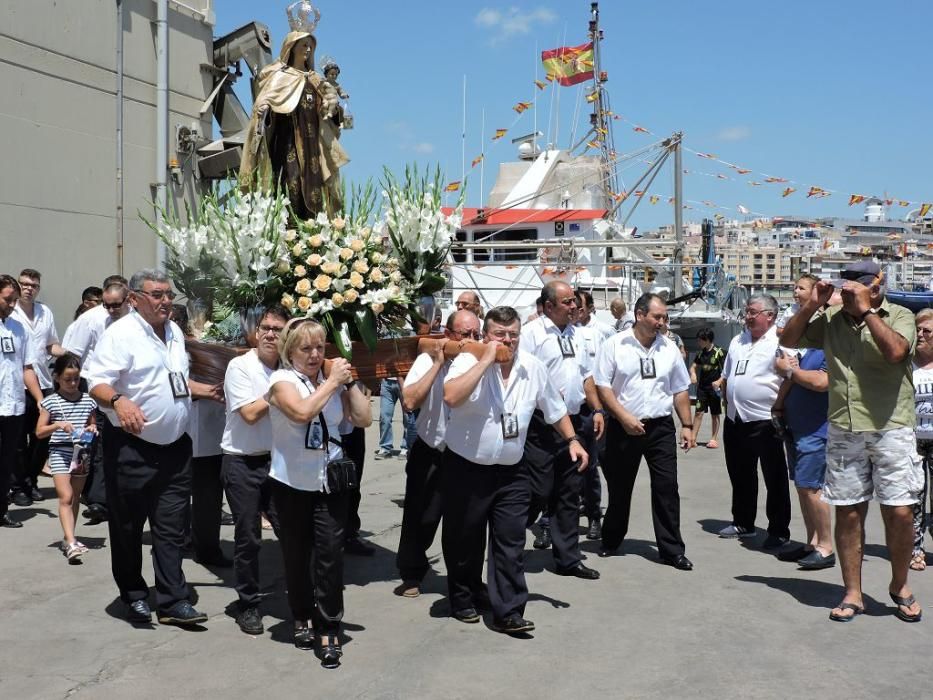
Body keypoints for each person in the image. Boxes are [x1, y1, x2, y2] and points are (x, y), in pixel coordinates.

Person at [780, 260, 923, 623]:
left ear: (876, 286)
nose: (847, 291)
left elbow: (896, 353)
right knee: (849, 510)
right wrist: (812, 304)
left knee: (901, 510)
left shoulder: (900, 314)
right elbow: (788, 339)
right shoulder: (831, 320)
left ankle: (900, 585)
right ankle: (853, 592)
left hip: (891, 426)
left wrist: (868, 313)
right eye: (846, 284)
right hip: (845, 427)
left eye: (856, 285)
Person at [442, 306, 588, 634]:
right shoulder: (468, 359)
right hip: (466, 468)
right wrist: (485, 360)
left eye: (513, 335)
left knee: (510, 539)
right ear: (485, 335)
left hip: (511, 471)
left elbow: (554, 409)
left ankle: (508, 610)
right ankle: (463, 596)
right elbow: (451, 396)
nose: (507, 341)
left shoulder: (532, 368)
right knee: (464, 538)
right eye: (500, 335)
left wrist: (573, 440)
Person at [85, 269, 211, 626]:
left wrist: (209, 391)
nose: (166, 301)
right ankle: (134, 594)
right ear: (135, 299)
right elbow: (96, 382)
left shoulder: (173, 332)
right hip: (131, 448)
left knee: (171, 528)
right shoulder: (120, 333)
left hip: (174, 448)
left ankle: (173, 601)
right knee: (127, 527)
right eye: (157, 295)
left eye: (169, 295)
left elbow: (173, 380)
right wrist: (119, 402)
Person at [266, 317, 371, 667]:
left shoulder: (332, 382)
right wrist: (331, 384)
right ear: (289, 351)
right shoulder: (281, 381)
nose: (314, 355)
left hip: (330, 484)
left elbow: (364, 418)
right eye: (305, 348)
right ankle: (301, 615)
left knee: (330, 555)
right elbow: (301, 412)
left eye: (319, 347)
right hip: (292, 484)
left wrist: (348, 382)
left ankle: (328, 627)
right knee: (297, 556)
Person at [594, 293, 695, 570]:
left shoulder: (669, 348)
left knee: (666, 487)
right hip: (623, 425)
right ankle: (611, 539)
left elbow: (680, 389)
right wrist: (623, 417)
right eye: (657, 317)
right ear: (640, 315)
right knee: (620, 487)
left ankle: (671, 549)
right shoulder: (614, 345)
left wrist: (686, 425)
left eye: (664, 317)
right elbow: (603, 386)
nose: (662, 323)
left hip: (660, 427)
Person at [395, 309, 481, 597]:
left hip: (466, 454)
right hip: (431, 449)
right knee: (421, 516)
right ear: (449, 335)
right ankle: (411, 573)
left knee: (467, 523)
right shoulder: (427, 359)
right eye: (464, 334)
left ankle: (467, 578)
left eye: (475, 334)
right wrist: (437, 364)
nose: (470, 340)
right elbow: (409, 400)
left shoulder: (480, 362)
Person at [520, 282, 603, 579]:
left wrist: (595, 410)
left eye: (574, 302)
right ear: (549, 306)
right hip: (541, 425)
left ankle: (568, 559)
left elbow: (585, 375)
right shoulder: (531, 335)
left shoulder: (576, 335)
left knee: (569, 492)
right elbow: (522, 376)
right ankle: (510, 548)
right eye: (567, 302)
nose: (574, 306)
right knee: (537, 490)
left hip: (574, 422)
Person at [221, 305, 288, 635]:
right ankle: (247, 604)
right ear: (255, 332)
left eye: (278, 329)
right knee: (248, 537)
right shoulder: (241, 366)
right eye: (266, 327)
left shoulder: (289, 367)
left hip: (277, 462)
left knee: (292, 532)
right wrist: (277, 390)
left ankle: (303, 595)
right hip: (242, 461)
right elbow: (249, 413)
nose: (270, 334)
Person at [239, 25, 348, 219]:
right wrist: (264, 111)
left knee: (315, 187)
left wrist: (333, 108)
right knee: (292, 182)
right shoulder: (280, 77)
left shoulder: (315, 80)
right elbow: (264, 104)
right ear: (292, 47)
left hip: (313, 146)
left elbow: (328, 113)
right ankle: (290, 232)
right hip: (288, 143)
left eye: (310, 47)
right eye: (304, 45)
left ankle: (312, 235)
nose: (307, 50)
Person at [717, 294, 791, 549]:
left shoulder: (781, 341)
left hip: (765, 419)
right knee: (740, 473)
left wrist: (780, 409)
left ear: (769, 315)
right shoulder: (738, 340)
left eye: (752, 312)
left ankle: (779, 530)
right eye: (747, 312)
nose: (747, 316)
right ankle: (743, 522)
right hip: (735, 418)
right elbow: (727, 375)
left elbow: (790, 378)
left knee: (774, 477)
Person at [73, 279, 131, 525]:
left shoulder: (140, 324)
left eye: (116, 305)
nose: (111, 310)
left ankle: (124, 496)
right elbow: (73, 352)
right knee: (101, 443)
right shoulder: (92, 319)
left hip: (130, 393)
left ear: (129, 300)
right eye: (107, 305)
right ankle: (98, 499)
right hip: (99, 391)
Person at [772, 345, 834, 569]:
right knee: (802, 487)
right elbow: (795, 378)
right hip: (797, 428)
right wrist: (779, 406)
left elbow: (821, 383)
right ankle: (812, 543)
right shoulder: (808, 350)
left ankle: (826, 547)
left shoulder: (829, 349)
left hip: (816, 431)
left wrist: (790, 371)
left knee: (812, 488)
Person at [35, 353, 98, 562]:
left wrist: (92, 428)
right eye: (67, 379)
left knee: (76, 496)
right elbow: (39, 432)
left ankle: (69, 535)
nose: (73, 383)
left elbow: (92, 422)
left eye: (76, 379)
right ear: (57, 378)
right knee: (66, 496)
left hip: (81, 452)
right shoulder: (51, 402)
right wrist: (57, 424)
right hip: (60, 451)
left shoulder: (88, 400)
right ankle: (71, 543)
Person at [11, 268, 66, 505]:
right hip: (15, 385)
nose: (28, 288)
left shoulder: (45, 312)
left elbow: (51, 345)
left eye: (33, 285)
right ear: (17, 286)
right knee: (17, 440)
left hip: (43, 382)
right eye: (24, 284)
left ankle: (31, 480)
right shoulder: (9, 313)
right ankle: (18, 486)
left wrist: (70, 353)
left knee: (41, 437)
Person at [0, 275, 44, 528]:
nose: (12, 304)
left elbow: (27, 367)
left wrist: (39, 399)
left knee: (7, 462)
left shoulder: (18, 328)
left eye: (14, 300)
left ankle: (1, 510)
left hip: (13, 405)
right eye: (8, 299)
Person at [911, 309, 933, 572]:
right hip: (913, 438)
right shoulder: (906, 363)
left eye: (927, 331)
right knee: (914, 498)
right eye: (917, 330)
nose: (920, 335)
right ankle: (915, 549)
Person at [689, 327, 725, 449]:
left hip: (714, 389)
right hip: (702, 388)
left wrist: (719, 381)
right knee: (698, 412)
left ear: (707, 340)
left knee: (715, 414)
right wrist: (693, 373)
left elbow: (726, 371)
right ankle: (692, 438)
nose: (698, 342)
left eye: (700, 340)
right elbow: (693, 366)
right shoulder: (700, 354)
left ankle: (713, 439)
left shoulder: (719, 352)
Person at [374, 377, 416, 459]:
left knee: (407, 417)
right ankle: (385, 448)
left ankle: (406, 448)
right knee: (384, 416)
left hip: (406, 380)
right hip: (386, 381)